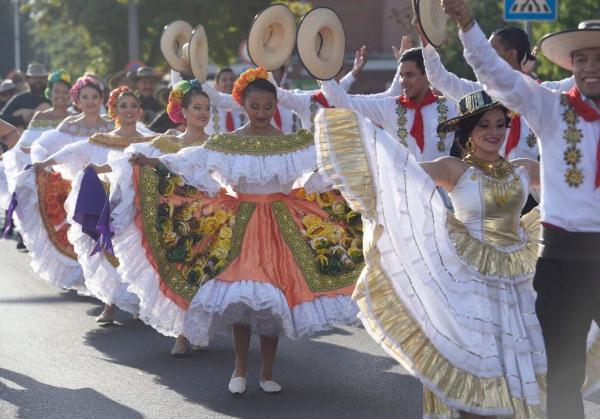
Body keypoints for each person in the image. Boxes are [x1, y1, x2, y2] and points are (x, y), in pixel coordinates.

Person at [314, 89, 572, 416]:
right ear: (468, 135)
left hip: (518, 275)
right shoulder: (454, 169)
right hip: (468, 278)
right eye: (484, 126)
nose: (494, 132)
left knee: (518, 364)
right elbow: (396, 175)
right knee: (472, 361)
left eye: (500, 124)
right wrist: (334, 176)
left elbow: (574, 183)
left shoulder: (523, 168)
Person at [158, 68, 362, 394]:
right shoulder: (227, 143)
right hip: (242, 225)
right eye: (255, 107)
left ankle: (267, 372)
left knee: (272, 301)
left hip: (281, 226)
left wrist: (356, 159)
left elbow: (327, 163)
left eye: (268, 107)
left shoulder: (291, 143)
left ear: (276, 105)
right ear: (244, 106)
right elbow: (188, 160)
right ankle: (240, 367)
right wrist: (152, 161)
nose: (262, 113)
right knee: (242, 300)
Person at [441, 1, 600, 416]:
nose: (589, 67)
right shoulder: (551, 107)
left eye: (598, 57)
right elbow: (497, 78)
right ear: (571, 64)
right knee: (564, 370)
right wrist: (467, 23)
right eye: (581, 58)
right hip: (564, 256)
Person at [107, 79, 218, 355]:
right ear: (184, 111)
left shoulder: (218, 144)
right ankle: (182, 333)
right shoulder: (166, 142)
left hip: (211, 217)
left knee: (204, 273)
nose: (203, 113)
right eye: (197, 108)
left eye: (206, 108)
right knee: (179, 271)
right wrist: (98, 170)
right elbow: (132, 159)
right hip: (175, 218)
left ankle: (197, 331)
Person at [33, 86, 151, 322]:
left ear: (139, 111)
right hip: (109, 207)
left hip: (141, 206)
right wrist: (45, 162)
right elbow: (72, 150)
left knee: (140, 254)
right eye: (123, 106)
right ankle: (110, 304)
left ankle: (142, 303)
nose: (128, 110)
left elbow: (174, 152)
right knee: (108, 252)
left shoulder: (149, 141)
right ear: (114, 111)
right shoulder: (101, 140)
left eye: (133, 106)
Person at [13, 76, 113, 293]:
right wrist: (42, 163)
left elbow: (133, 139)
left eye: (94, 96)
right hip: (76, 188)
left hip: (110, 186)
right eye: (85, 97)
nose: (90, 101)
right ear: (77, 100)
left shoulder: (112, 123)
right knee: (84, 235)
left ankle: (108, 285)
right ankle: (89, 277)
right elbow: (44, 145)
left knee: (110, 235)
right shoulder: (70, 125)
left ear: (101, 99)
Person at [420, 23, 574, 161]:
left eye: (491, 50)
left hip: (533, 188)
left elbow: (579, 81)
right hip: (489, 186)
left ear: (511, 55)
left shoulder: (543, 93)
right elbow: (438, 78)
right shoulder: (480, 94)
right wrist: (427, 44)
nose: (484, 54)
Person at [321, 47, 458, 162]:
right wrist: (320, 70)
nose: (403, 81)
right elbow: (343, 103)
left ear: (427, 75)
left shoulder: (450, 107)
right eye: (401, 75)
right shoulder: (389, 107)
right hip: (402, 192)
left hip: (442, 192)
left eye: (409, 75)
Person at [2, 70, 73, 250]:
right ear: (51, 93)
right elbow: (25, 142)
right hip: (47, 174)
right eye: (57, 91)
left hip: (72, 172)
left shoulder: (75, 118)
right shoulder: (41, 116)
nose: (61, 96)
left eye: (65, 92)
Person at [274, 42, 405, 132]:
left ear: (340, 72)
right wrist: (270, 66)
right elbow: (277, 94)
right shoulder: (305, 101)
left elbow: (391, 95)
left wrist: (403, 65)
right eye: (319, 70)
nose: (325, 75)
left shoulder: (352, 102)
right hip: (313, 170)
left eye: (330, 69)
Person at [1, 63, 51, 130]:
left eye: (41, 78)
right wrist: (21, 119)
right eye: (34, 78)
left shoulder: (52, 98)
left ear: (46, 79)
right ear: (27, 79)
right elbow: (2, 118)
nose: (38, 81)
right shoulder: (19, 99)